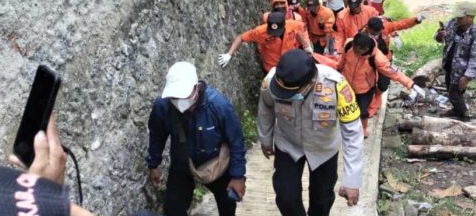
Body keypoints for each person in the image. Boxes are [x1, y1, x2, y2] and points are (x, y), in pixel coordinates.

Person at [257, 50, 364, 215]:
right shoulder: (271, 81)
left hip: (324, 149)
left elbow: (353, 133)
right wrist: (265, 138)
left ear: (311, 81)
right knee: (286, 197)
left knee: (322, 200)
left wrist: (352, 179)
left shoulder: (336, 85)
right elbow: (266, 108)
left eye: (293, 93)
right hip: (288, 145)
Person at [146, 62, 247, 216]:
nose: (178, 100)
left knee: (227, 206)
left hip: (216, 164)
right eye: (174, 97)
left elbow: (236, 142)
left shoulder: (219, 106)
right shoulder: (162, 107)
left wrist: (238, 176)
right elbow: (157, 136)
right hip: (182, 163)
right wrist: (154, 164)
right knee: (173, 208)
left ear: (196, 88)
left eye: (182, 95)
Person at [337, 33, 417, 137]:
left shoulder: (378, 58)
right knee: (344, 107)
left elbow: (393, 72)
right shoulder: (349, 45)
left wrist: (409, 83)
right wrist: (338, 69)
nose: (355, 52)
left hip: (364, 89)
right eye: (354, 48)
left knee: (362, 111)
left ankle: (363, 129)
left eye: (358, 51)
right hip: (346, 85)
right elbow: (343, 60)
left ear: (365, 49)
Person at [362, 16, 426, 116]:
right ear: (368, 28)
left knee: (383, 85)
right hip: (368, 62)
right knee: (368, 84)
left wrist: (416, 20)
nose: (376, 36)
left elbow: (402, 24)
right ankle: (370, 102)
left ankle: (376, 97)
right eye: (373, 33)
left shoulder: (386, 27)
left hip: (384, 61)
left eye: (378, 33)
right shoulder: (361, 35)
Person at [435, 2, 476, 121]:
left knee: (456, 93)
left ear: (471, 17)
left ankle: (463, 116)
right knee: (450, 89)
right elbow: (438, 38)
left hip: (461, 72)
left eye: (461, 17)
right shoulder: (452, 23)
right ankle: (456, 110)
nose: (458, 18)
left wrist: (467, 77)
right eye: (457, 16)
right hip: (449, 65)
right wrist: (439, 35)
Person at [219, 11, 312, 72]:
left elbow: (301, 32)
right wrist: (229, 54)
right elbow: (241, 38)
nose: (275, 35)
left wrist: (306, 46)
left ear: (284, 25)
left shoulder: (294, 25)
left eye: (277, 32)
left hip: (290, 63)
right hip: (272, 67)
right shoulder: (260, 32)